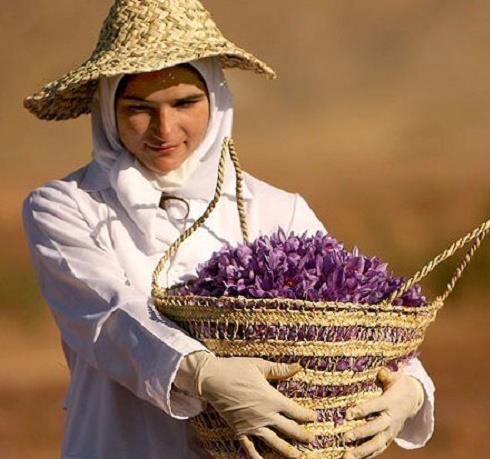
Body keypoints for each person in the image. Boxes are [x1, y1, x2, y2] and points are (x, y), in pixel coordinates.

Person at [22, 1, 436, 458]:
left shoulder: (278, 210)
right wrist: (205, 374)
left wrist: (411, 385)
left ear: (215, 99)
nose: (165, 128)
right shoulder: (65, 207)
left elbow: (350, 320)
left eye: (185, 103)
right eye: (139, 108)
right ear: (107, 109)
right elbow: (109, 314)